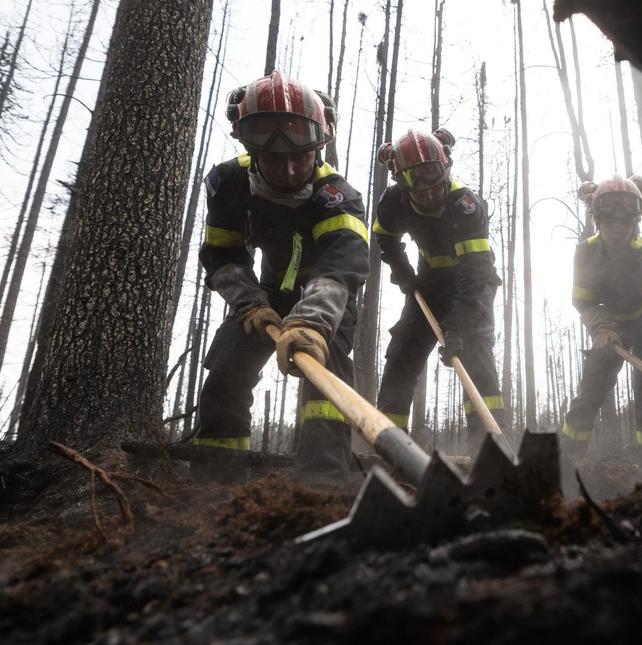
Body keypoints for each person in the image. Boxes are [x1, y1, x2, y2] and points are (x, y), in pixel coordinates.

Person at [193, 70, 369, 485]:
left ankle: (321, 489)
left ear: (320, 147)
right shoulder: (228, 183)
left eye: (301, 156)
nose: (289, 169)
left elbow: (341, 268)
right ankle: (214, 485)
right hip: (265, 294)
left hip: (328, 300)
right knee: (227, 369)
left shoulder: (338, 197)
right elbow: (223, 254)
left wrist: (311, 323)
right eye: (273, 157)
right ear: (250, 148)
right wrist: (251, 304)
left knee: (327, 381)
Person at [372, 128, 503, 453]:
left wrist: (458, 326)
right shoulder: (393, 200)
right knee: (402, 353)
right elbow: (385, 237)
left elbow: (475, 272)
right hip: (428, 282)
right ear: (402, 184)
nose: (429, 195)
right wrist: (404, 274)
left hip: (473, 282)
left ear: (446, 171)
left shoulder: (466, 204)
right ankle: (392, 448)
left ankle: (488, 451)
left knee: (474, 351)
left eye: (435, 185)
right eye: (418, 190)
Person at [561, 175, 642, 473]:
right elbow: (583, 300)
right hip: (611, 326)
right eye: (609, 224)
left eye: (624, 224)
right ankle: (565, 460)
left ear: (635, 222)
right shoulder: (586, 253)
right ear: (598, 221)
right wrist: (601, 327)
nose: (617, 231)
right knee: (590, 389)